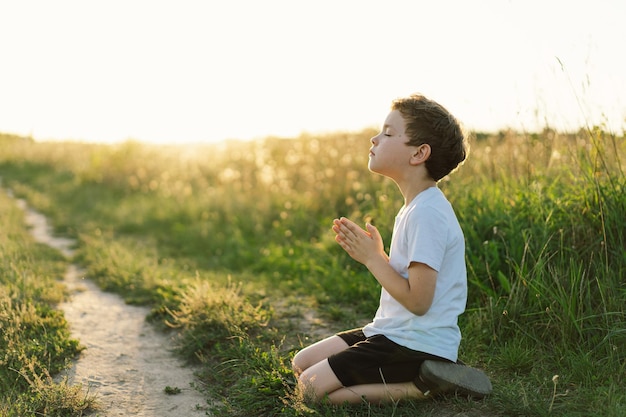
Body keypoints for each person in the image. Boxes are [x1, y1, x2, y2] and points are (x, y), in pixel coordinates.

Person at [292, 94, 490, 404]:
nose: (374, 138)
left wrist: (373, 259)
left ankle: (426, 386)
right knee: (301, 362)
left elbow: (419, 301)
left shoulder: (428, 213)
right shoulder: (415, 207)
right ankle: (426, 377)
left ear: (419, 153)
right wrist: (380, 257)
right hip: (391, 332)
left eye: (387, 133)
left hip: (416, 343)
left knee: (311, 389)